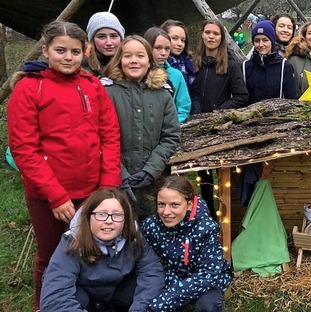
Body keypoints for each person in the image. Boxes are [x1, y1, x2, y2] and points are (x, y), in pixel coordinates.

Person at [7, 21, 121, 311]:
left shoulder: (92, 85)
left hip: (92, 190)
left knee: (91, 249)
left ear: (84, 52)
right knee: (50, 254)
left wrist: (108, 188)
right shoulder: (29, 88)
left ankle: (86, 301)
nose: (67, 57)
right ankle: (44, 304)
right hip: (49, 195)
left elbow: (109, 135)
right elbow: (24, 148)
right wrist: (55, 195)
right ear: (45, 50)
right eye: (60, 50)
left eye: (74, 51)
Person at [40, 188, 164, 311]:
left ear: (125, 219)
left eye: (116, 215)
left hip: (118, 299)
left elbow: (152, 271)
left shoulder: (133, 237)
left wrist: (139, 309)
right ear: (88, 217)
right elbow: (55, 298)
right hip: (84, 302)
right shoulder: (72, 241)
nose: (108, 221)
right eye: (101, 215)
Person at [102, 35, 181, 220]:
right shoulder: (107, 93)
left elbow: (171, 135)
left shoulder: (162, 94)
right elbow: (100, 137)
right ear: (120, 59)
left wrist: (150, 170)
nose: (134, 61)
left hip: (153, 181)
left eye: (140, 55)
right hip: (116, 180)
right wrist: (121, 174)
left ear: (149, 60)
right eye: (128, 56)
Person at [142, 176, 233, 312]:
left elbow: (208, 273)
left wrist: (168, 299)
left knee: (208, 305)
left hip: (203, 279)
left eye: (175, 205)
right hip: (168, 277)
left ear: (189, 204)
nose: (166, 212)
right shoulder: (150, 227)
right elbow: (151, 264)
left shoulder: (206, 228)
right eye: (161, 204)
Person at [189, 19, 249, 211]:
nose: (211, 37)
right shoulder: (194, 64)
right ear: (202, 35)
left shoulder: (230, 65)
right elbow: (192, 93)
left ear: (221, 38)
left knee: (223, 175)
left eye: (215, 34)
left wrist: (219, 111)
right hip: (197, 126)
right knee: (203, 176)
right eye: (208, 33)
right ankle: (208, 213)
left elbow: (241, 95)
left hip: (219, 127)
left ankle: (227, 214)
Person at [143, 27, 192, 124]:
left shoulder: (176, 75)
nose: (163, 53)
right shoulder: (138, 73)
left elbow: (184, 107)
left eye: (167, 49)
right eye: (158, 48)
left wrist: (172, 126)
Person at [242, 20, 296, 104]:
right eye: (257, 40)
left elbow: (291, 100)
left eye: (265, 40)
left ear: (272, 41)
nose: (261, 44)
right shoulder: (245, 67)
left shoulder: (284, 66)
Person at [83, 11, 125, 76]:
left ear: (121, 39)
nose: (109, 43)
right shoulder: (82, 68)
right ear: (92, 41)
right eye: (101, 37)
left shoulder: (130, 64)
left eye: (113, 36)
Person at [161, 19, 196, 86]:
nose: (180, 44)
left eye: (183, 40)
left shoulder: (190, 63)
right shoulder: (157, 63)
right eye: (174, 38)